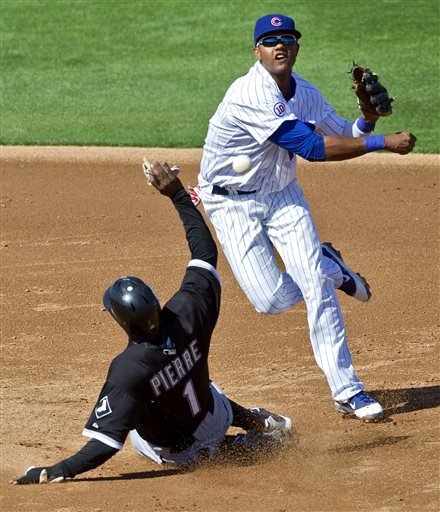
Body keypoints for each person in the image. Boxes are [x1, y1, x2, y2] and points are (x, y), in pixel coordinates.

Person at [192, 14, 417, 422]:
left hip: (282, 196)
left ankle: (348, 392)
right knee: (270, 301)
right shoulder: (249, 94)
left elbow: (344, 131)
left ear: (296, 47)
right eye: (270, 40)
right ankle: (329, 263)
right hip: (229, 202)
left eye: (288, 38)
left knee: (315, 285)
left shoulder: (306, 93)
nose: (280, 45)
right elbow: (312, 148)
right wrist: (382, 141)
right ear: (257, 50)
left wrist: (368, 117)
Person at [10, 162, 292, 485]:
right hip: (213, 416)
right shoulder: (185, 311)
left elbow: (105, 443)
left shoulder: (127, 369)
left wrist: (57, 470)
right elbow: (205, 252)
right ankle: (257, 422)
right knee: (207, 390)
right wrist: (177, 194)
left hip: (176, 451)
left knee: (138, 434)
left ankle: (238, 448)